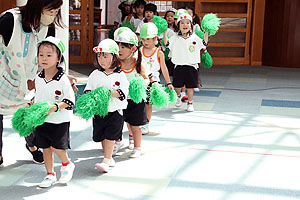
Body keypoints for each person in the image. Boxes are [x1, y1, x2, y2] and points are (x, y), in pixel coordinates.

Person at [0, 0, 67, 166]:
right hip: (3, 78)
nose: (53, 14)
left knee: (29, 115)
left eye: (56, 10)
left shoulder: (48, 27)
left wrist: (60, 77)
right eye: (50, 9)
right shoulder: (10, 20)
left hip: (29, 82)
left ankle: (32, 145)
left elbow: (52, 56)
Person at [34, 37, 75, 188]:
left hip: (59, 120)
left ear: (59, 58)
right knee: (45, 147)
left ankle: (67, 163)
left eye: (49, 55)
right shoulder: (38, 77)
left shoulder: (63, 79)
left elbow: (70, 101)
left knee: (58, 146)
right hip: (43, 119)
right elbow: (37, 96)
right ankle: (50, 174)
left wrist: (55, 107)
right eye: (41, 54)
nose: (44, 58)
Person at [84, 39, 129, 172]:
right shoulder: (95, 74)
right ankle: (108, 157)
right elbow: (88, 90)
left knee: (110, 136)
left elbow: (123, 92)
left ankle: (106, 160)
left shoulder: (120, 75)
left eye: (105, 56)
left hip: (115, 111)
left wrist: (108, 93)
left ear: (114, 57)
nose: (101, 59)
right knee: (102, 136)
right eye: (99, 56)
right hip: (99, 111)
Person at [113, 27, 149, 157]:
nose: (119, 49)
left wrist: (139, 84)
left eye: (123, 47)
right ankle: (117, 142)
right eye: (117, 45)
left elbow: (146, 79)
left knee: (134, 125)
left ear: (133, 49)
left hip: (134, 100)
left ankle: (137, 147)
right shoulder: (114, 64)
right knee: (116, 123)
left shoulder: (137, 63)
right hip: (118, 100)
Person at [164, 13, 208, 112]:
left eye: (188, 23)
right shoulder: (175, 37)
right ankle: (179, 96)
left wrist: (206, 33)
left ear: (191, 25)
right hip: (179, 65)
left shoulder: (195, 37)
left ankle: (190, 103)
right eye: (182, 23)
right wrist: (165, 32)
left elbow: (204, 43)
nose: (185, 25)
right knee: (177, 85)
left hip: (191, 65)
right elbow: (167, 44)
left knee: (190, 86)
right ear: (178, 25)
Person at [139, 22, 173, 134]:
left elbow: (164, 68)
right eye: (143, 39)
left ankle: (146, 124)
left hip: (153, 83)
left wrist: (169, 83)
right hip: (141, 80)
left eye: (148, 39)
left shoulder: (159, 53)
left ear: (155, 38)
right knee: (139, 103)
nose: (145, 42)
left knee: (148, 104)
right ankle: (139, 122)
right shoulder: (139, 51)